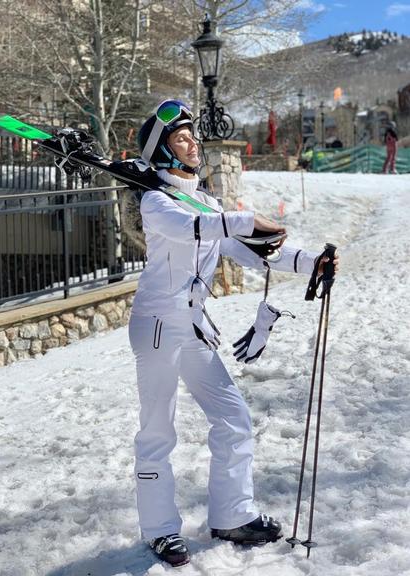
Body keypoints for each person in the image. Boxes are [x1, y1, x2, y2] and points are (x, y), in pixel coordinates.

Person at [129, 99, 339, 567]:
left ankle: (231, 514)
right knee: (158, 431)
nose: (192, 143)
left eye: (191, 136)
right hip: (159, 326)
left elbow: (254, 250)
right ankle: (160, 530)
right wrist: (245, 219)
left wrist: (310, 262)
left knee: (233, 419)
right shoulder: (157, 201)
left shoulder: (204, 200)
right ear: (161, 151)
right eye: (180, 138)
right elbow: (194, 231)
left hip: (193, 327)